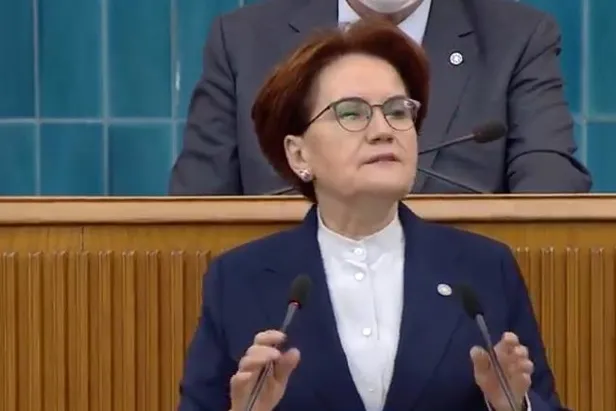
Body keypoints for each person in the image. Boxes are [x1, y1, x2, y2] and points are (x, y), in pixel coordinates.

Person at [178, 19, 566, 411]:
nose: (384, 130)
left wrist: (513, 405)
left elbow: (543, 401)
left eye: (398, 111)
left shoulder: (483, 268)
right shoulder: (240, 280)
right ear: (299, 154)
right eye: (351, 113)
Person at [168, 0, 592, 196]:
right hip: (287, 314)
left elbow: (550, 187)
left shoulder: (516, 37)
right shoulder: (243, 40)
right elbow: (194, 211)